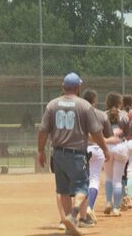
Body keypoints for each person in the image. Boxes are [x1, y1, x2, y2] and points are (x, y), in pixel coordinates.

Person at [37, 72, 109, 236]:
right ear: (78, 88)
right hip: (76, 154)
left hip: (58, 154)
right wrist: (105, 149)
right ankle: (74, 214)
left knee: (62, 190)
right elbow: (96, 132)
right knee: (82, 187)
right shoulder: (84, 105)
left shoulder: (52, 105)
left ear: (63, 87)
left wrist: (40, 151)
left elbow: (42, 131)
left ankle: (69, 224)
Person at [78, 89, 120, 226]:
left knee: (82, 180)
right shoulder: (102, 115)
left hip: (82, 149)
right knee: (94, 178)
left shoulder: (79, 113)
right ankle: (90, 207)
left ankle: (79, 211)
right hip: (97, 150)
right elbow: (108, 136)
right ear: (95, 101)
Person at [103, 92, 130, 217]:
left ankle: (108, 202)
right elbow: (128, 134)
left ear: (107, 103)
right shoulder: (124, 116)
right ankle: (115, 208)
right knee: (118, 180)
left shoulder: (103, 115)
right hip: (121, 147)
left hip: (107, 146)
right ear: (120, 103)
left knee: (108, 177)